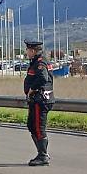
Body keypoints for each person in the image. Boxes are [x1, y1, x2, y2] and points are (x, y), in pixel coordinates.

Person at [23, 38, 54, 166]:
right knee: (31, 126)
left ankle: (43, 155)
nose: (26, 52)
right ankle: (41, 152)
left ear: (33, 50)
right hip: (36, 100)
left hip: (40, 100)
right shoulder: (35, 62)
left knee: (38, 128)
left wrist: (31, 89)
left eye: (28, 50)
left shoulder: (40, 63)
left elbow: (42, 78)